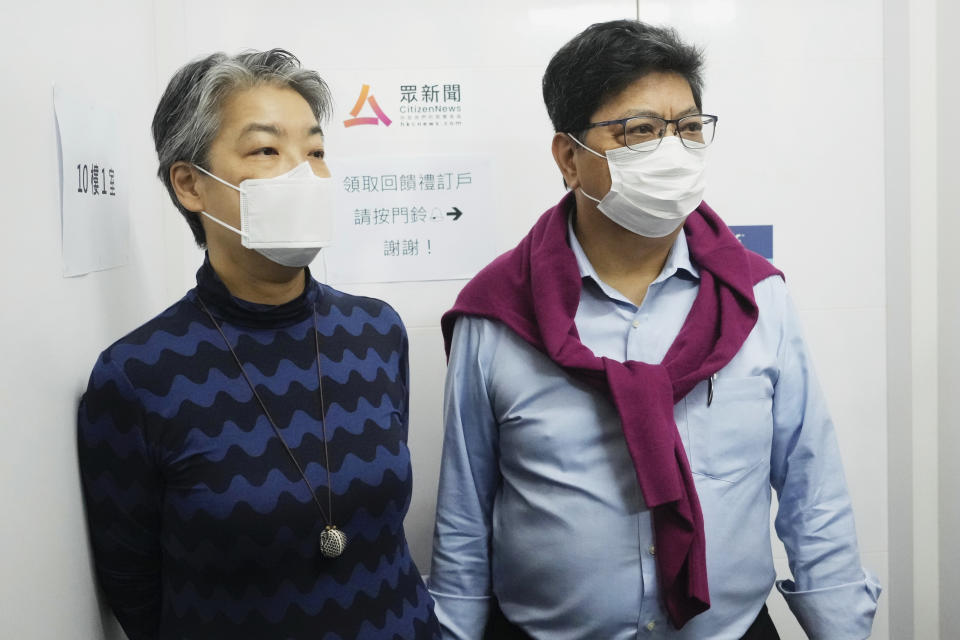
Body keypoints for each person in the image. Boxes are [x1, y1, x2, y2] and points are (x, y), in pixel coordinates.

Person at [428, 20, 880, 640]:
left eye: (689, 127)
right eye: (640, 131)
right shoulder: (498, 313)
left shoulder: (755, 299)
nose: (673, 150)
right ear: (569, 157)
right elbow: (464, 515)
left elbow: (812, 485)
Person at [77, 49, 440, 640]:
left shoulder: (376, 331)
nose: (305, 173)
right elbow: (134, 583)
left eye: (316, 152)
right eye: (267, 150)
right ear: (191, 184)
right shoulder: (140, 375)